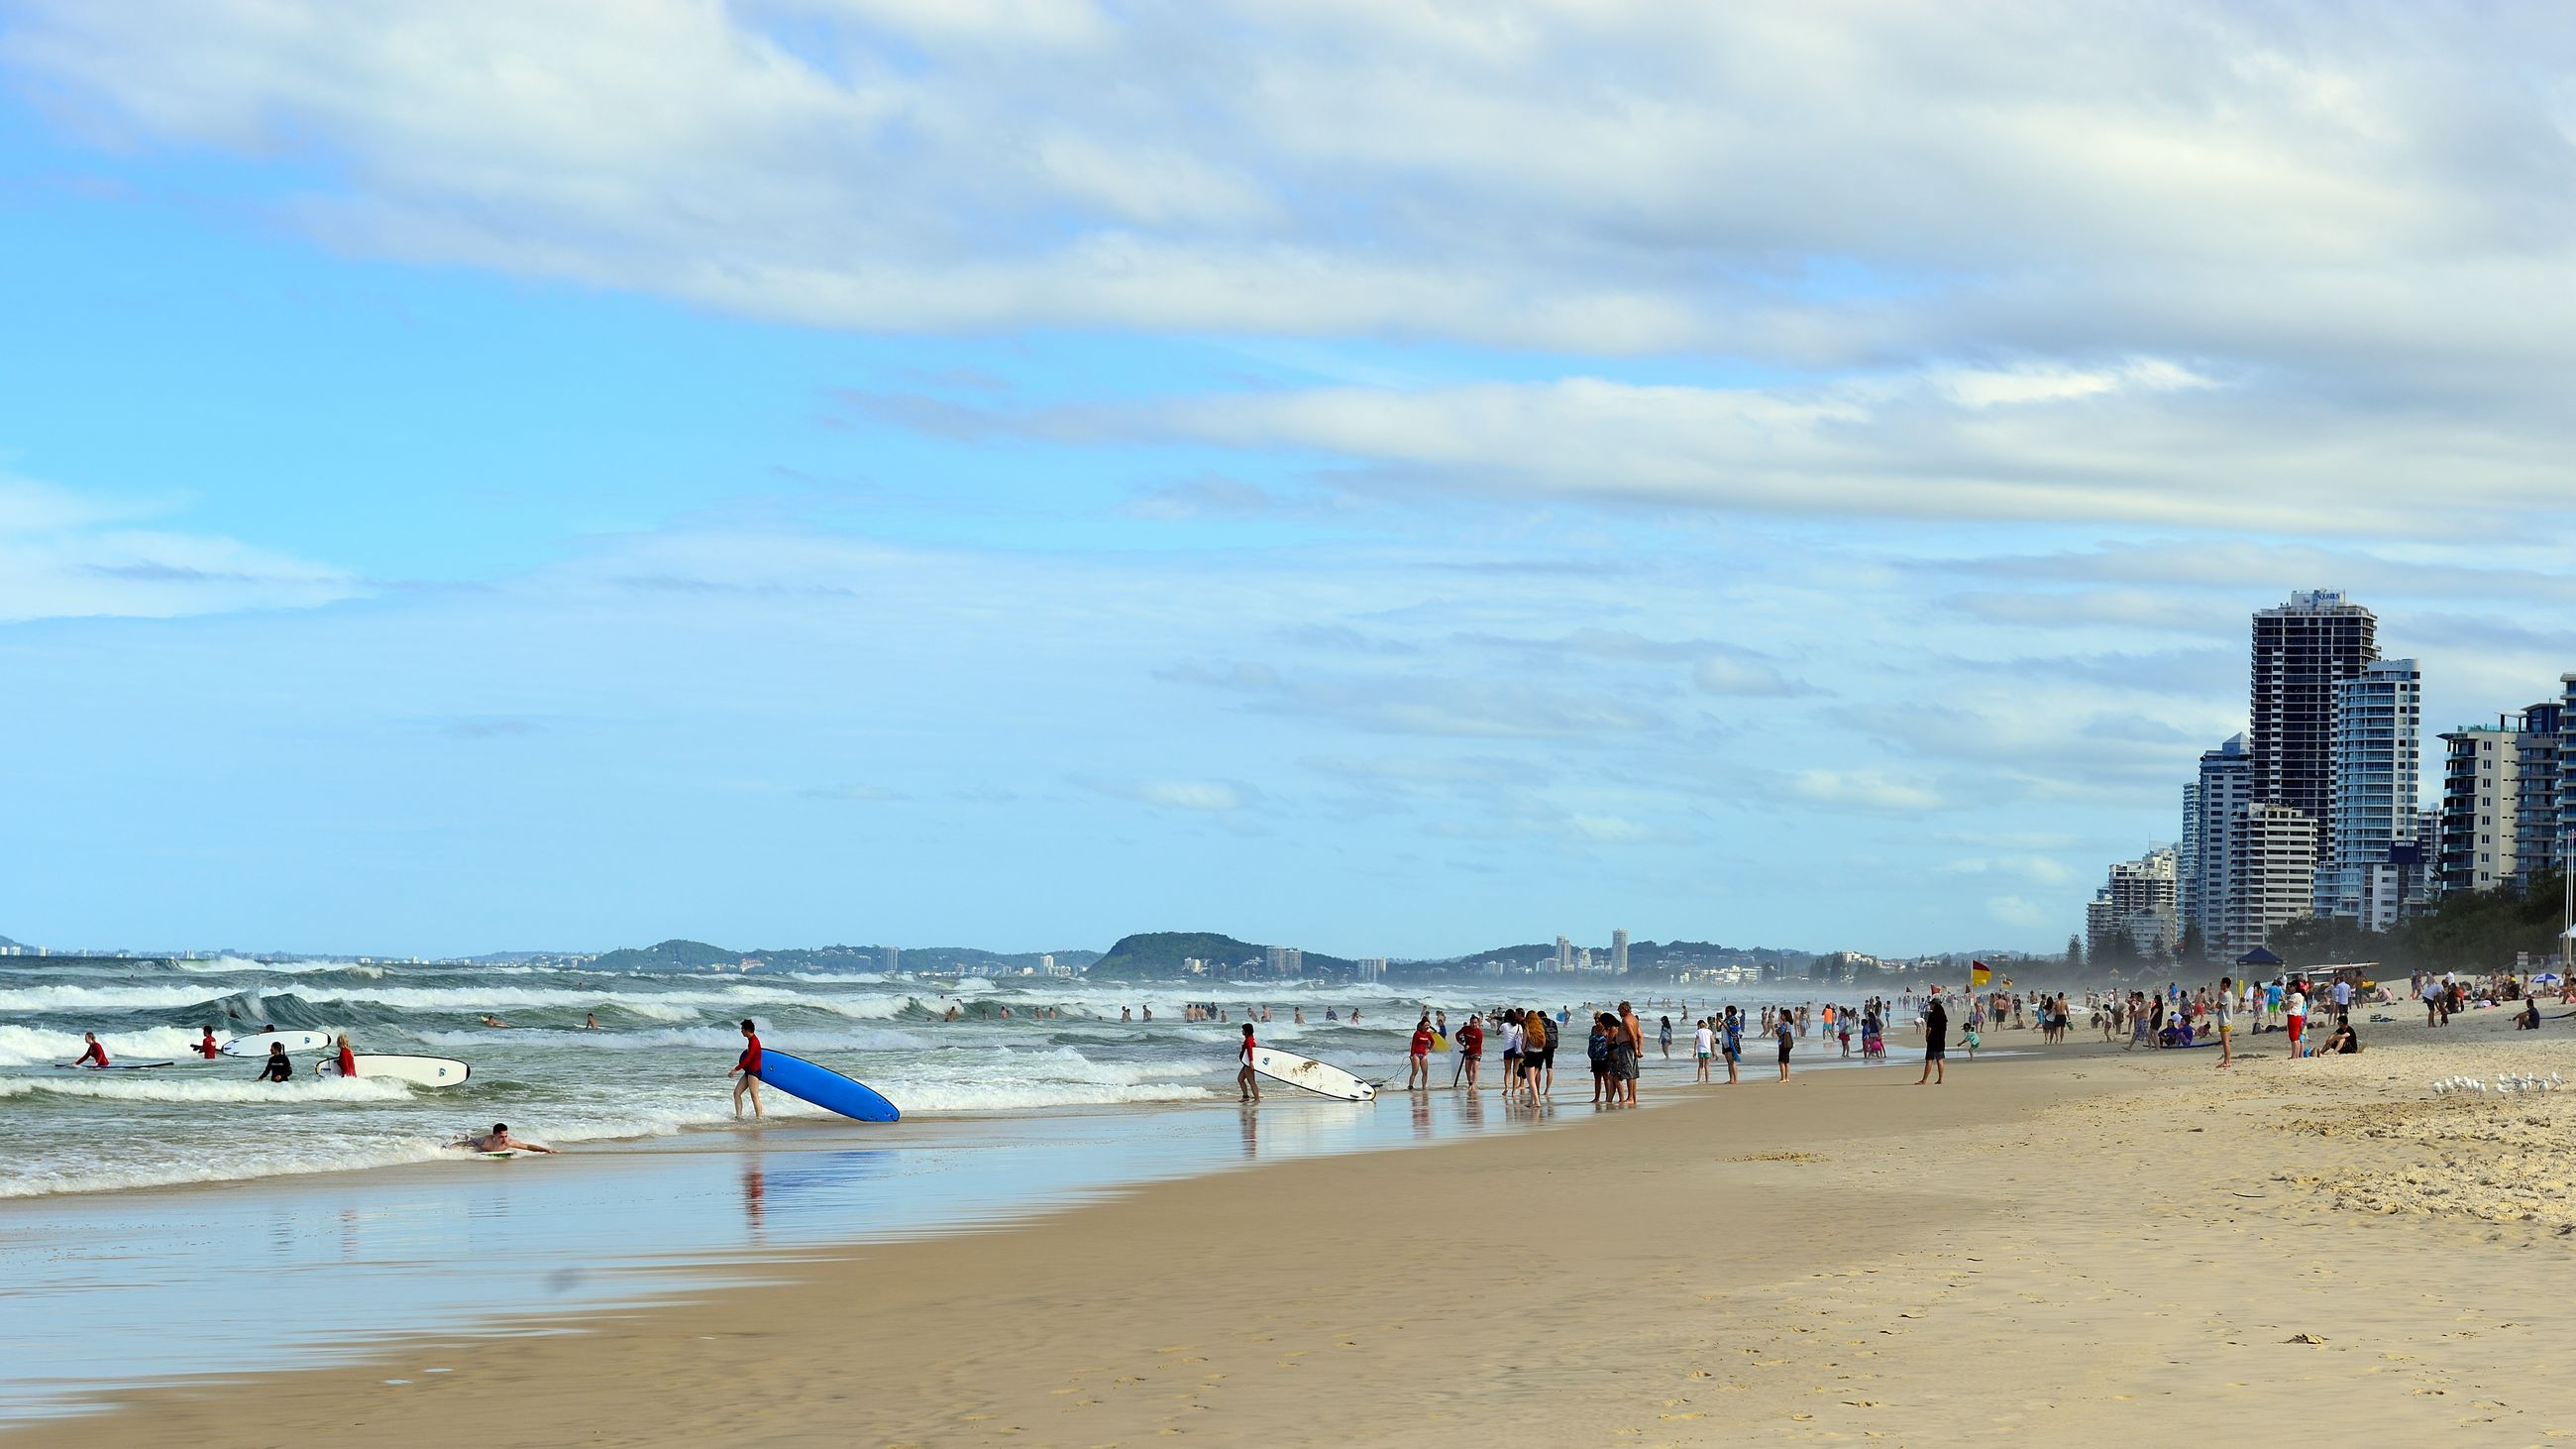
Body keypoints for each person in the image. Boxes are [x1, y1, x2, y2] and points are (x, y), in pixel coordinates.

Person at [729, 1018, 765, 1119]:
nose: (741, 1031)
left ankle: (759, 1119)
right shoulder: (750, 1040)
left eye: (742, 1029)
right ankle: (739, 1116)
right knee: (737, 1093)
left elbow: (748, 1059)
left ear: (748, 1030)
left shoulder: (754, 1041)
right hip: (749, 1071)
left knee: (754, 1095)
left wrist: (735, 1070)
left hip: (754, 1072)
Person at [463, 1123, 557, 1154]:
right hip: (476, 1144)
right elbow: (463, 1145)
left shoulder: (508, 1142)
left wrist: (546, 1150)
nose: (504, 1140)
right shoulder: (484, 1141)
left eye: (506, 1136)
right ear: (494, 1135)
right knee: (468, 1141)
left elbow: (527, 1146)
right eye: (501, 1137)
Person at [1917, 994, 1947, 1085]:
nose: (1930, 1005)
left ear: (1935, 1005)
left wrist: (1927, 1037)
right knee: (1940, 1059)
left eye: (1931, 1004)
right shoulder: (1943, 1016)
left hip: (1933, 1040)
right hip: (1941, 1040)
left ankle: (1924, 1080)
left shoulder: (1932, 1015)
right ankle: (1940, 1079)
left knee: (1929, 1060)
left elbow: (1929, 1028)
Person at [1407, 1015, 1434, 1090]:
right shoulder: (1417, 1033)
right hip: (1416, 1054)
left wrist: (1428, 1049)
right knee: (1415, 1071)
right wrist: (1412, 1055)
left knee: (1425, 1072)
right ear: (1422, 1026)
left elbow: (1433, 1042)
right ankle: (1410, 1086)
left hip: (1423, 1054)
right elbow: (1413, 1044)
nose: (1427, 1027)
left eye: (1428, 1025)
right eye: (1425, 1025)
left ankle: (1424, 1087)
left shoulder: (1428, 1034)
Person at [1456, 1013, 1484, 1089]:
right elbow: (1457, 1035)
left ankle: (1474, 1084)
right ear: (1470, 1022)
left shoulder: (1479, 1032)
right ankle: (1470, 1083)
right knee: (1467, 1069)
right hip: (1468, 1052)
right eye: (1472, 1023)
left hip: (1476, 1051)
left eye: (1475, 1023)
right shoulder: (1466, 1029)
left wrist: (1470, 1046)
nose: (1474, 1024)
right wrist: (1462, 1043)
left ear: (1478, 1023)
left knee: (1474, 1068)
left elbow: (1479, 1044)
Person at [2214, 975, 2235, 1069]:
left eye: (2221, 983)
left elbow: (2217, 1006)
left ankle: (2227, 1061)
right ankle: (2227, 1061)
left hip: (2225, 1021)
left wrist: (2219, 998)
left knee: (2225, 1042)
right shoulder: (2229, 994)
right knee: (2226, 1042)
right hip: (2227, 1020)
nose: (2220, 984)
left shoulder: (2225, 995)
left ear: (2225, 984)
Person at [1236, 1022, 1260, 1102]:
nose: (1242, 1031)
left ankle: (1257, 1099)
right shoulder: (1249, 1038)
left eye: (1243, 1030)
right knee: (1240, 1079)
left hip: (1249, 1064)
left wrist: (1251, 1062)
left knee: (1251, 1081)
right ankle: (1245, 1097)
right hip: (1246, 1063)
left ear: (1246, 1031)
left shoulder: (1249, 1040)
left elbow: (1250, 1050)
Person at [2285, 981, 2308, 1059]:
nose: (2289, 988)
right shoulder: (2301, 995)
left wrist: (2286, 1002)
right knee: (2297, 1037)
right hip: (2298, 1016)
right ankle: (2296, 1055)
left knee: (2293, 1037)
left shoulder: (2294, 995)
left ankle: (2294, 1055)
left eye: (2290, 986)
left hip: (2293, 1016)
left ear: (2294, 987)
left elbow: (2288, 1007)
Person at [1773, 1008, 1794, 1082]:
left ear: (1785, 1016)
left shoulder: (1784, 1024)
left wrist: (1776, 1029)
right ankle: (1787, 1078)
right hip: (1789, 1044)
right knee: (1787, 1061)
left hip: (1783, 1044)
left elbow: (1780, 1034)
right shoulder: (1789, 1024)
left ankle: (1783, 1078)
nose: (1781, 1016)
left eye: (1782, 1014)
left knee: (1781, 1061)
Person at [1693, 1017, 1714, 1082]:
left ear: (1699, 1025)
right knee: (1707, 1066)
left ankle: (1699, 1079)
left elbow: (1696, 1041)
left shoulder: (1698, 1031)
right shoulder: (1709, 1031)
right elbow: (1712, 1041)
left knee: (1701, 1065)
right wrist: (1713, 1051)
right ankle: (1707, 1080)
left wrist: (1694, 1051)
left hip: (1700, 1050)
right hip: (1707, 1050)